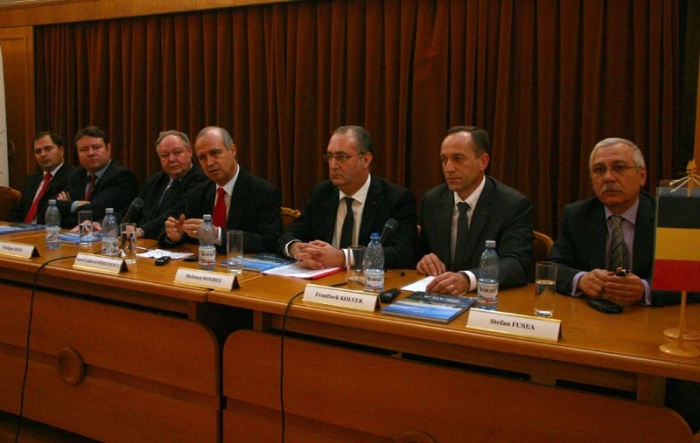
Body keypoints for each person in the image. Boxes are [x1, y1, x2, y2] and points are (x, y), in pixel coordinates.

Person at [547, 137, 700, 434]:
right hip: (592, 338)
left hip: (655, 340)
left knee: (682, 406)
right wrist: (582, 279)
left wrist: (645, 289)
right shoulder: (577, 214)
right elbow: (553, 267)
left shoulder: (672, 214)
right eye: (599, 170)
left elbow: (694, 282)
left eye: (618, 168)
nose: (608, 178)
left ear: (641, 175)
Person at [276, 125, 417, 270]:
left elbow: (402, 253)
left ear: (366, 160)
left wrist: (343, 258)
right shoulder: (322, 193)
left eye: (341, 157)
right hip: (323, 279)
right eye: (330, 157)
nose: (333, 165)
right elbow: (288, 235)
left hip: (368, 281)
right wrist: (297, 249)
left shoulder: (396, 199)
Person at [416, 126, 534, 295]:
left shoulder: (511, 205)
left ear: (483, 162)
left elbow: (517, 264)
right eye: (444, 160)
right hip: (438, 296)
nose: (449, 168)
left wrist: (468, 279)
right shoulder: (433, 200)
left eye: (458, 159)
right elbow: (420, 252)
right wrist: (425, 260)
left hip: (489, 300)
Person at [160, 126, 282, 253]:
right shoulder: (197, 193)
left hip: (241, 263)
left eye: (215, 153)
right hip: (204, 263)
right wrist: (174, 236)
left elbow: (270, 242)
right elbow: (172, 227)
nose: (209, 163)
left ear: (232, 150)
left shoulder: (263, 192)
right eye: (202, 158)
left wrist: (218, 234)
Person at [55, 126, 139, 228]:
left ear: (108, 149)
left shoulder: (122, 176)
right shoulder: (76, 175)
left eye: (96, 147)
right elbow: (50, 206)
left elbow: (94, 211)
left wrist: (67, 204)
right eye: (84, 149)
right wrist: (79, 204)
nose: (91, 153)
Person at [133, 130, 206, 239]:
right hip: (144, 243)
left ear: (190, 151)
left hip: (174, 243)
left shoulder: (201, 180)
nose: (171, 159)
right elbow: (136, 208)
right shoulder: (155, 180)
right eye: (165, 155)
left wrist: (142, 230)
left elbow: (176, 212)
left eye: (177, 152)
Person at [9, 131, 78, 224]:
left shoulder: (74, 176)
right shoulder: (31, 180)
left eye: (48, 149)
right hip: (22, 230)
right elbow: (18, 212)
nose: (43, 155)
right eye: (38, 151)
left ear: (61, 150)